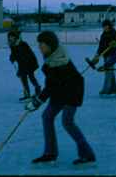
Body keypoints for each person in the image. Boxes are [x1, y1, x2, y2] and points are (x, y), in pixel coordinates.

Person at [25, 31, 96, 166]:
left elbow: (52, 86)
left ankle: (87, 154)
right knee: (47, 116)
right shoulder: (49, 60)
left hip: (72, 93)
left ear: (51, 45)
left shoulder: (61, 61)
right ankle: (50, 153)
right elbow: (52, 86)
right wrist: (37, 101)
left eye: (42, 44)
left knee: (67, 121)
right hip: (59, 92)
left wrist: (37, 101)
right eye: (39, 44)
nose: (39, 47)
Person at [8, 30, 41, 101]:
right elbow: (14, 53)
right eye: (9, 37)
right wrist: (12, 57)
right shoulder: (12, 45)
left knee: (31, 76)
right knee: (23, 78)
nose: (11, 38)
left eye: (12, 37)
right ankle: (27, 94)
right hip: (22, 63)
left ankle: (38, 91)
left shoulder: (22, 43)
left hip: (30, 62)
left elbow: (26, 54)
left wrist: (17, 57)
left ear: (15, 37)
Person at [91, 19, 116, 97]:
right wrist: (97, 55)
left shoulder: (115, 33)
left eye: (106, 26)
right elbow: (101, 46)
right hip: (105, 55)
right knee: (110, 71)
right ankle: (114, 89)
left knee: (108, 72)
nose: (105, 28)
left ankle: (106, 90)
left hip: (112, 55)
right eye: (104, 26)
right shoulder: (103, 35)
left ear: (109, 26)